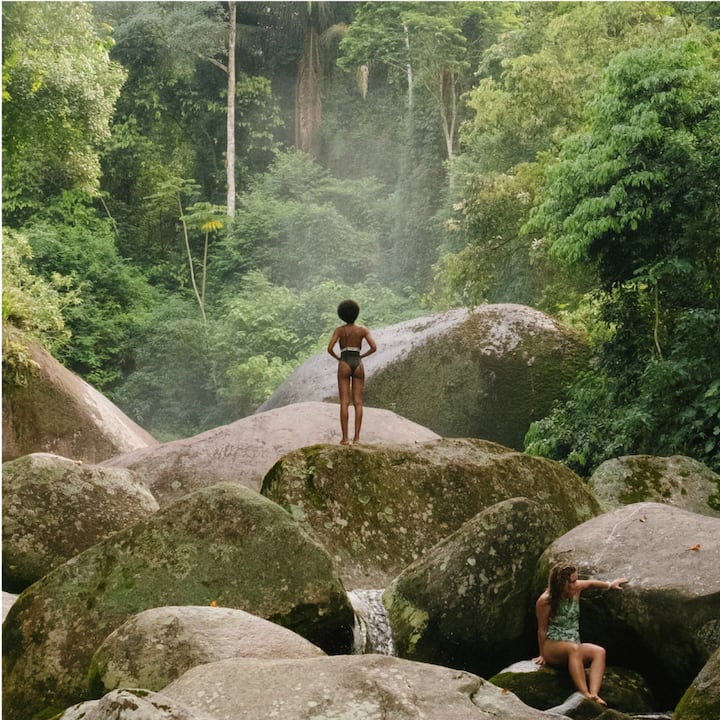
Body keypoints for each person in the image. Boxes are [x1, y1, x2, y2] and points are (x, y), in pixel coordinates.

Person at [534, 562, 629, 706]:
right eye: (571, 581)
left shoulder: (576, 588)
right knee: (574, 649)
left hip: (573, 644)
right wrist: (542, 654)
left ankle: (594, 694)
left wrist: (610, 585)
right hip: (552, 645)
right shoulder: (545, 600)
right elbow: (542, 629)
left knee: (599, 651)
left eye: (576, 580)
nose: (575, 583)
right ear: (560, 583)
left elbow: (591, 583)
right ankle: (584, 694)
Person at [327, 299, 377, 445]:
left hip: (344, 362)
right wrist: (361, 356)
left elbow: (329, 348)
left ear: (341, 314)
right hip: (358, 363)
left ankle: (344, 438)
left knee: (344, 402)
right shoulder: (362, 330)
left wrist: (339, 358)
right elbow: (374, 347)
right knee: (358, 402)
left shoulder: (340, 330)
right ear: (356, 313)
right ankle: (356, 439)